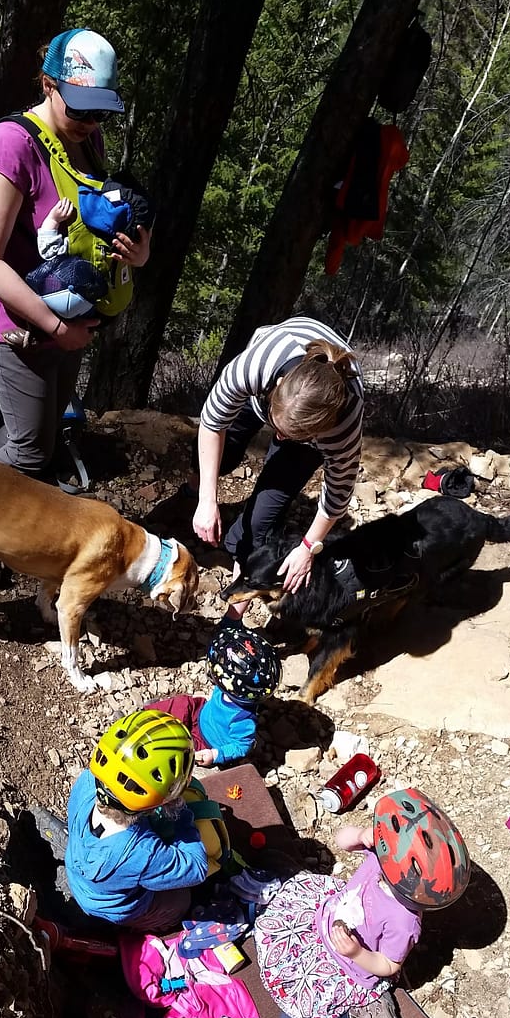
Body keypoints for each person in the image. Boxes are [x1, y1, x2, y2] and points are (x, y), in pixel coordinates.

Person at [0, 28, 151, 588]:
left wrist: (139, 250)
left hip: (67, 324)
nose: (92, 121)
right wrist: (54, 325)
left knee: (36, 436)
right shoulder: (10, 143)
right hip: (19, 328)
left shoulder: (85, 139)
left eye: (102, 111)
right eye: (83, 107)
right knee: (30, 447)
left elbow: (103, 211)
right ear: (49, 84)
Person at [253, 788, 470, 1018]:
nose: (379, 859)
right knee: (278, 885)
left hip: (349, 968)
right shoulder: (388, 859)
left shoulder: (404, 921)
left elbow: (389, 965)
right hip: (322, 918)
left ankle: (364, 1015)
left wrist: (356, 952)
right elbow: (341, 840)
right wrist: (359, 836)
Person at [186, 315, 364, 621]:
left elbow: (337, 495)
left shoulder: (342, 426)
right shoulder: (259, 364)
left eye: (288, 436)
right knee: (218, 459)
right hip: (261, 398)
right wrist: (206, 499)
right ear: (278, 384)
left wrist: (308, 548)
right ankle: (186, 500)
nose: (277, 438)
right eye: (277, 429)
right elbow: (213, 423)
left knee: (259, 522)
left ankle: (233, 617)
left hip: (311, 425)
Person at [63, 710, 208, 930]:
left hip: (79, 877)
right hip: (117, 908)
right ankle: (146, 928)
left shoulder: (85, 783)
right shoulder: (143, 853)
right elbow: (197, 868)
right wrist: (183, 818)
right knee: (181, 901)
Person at [144, 625, 282, 767]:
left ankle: (151, 747)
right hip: (200, 713)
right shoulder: (232, 688)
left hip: (206, 743)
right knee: (184, 703)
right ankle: (146, 716)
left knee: (179, 749)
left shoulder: (243, 717)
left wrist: (216, 754)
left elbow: (242, 746)